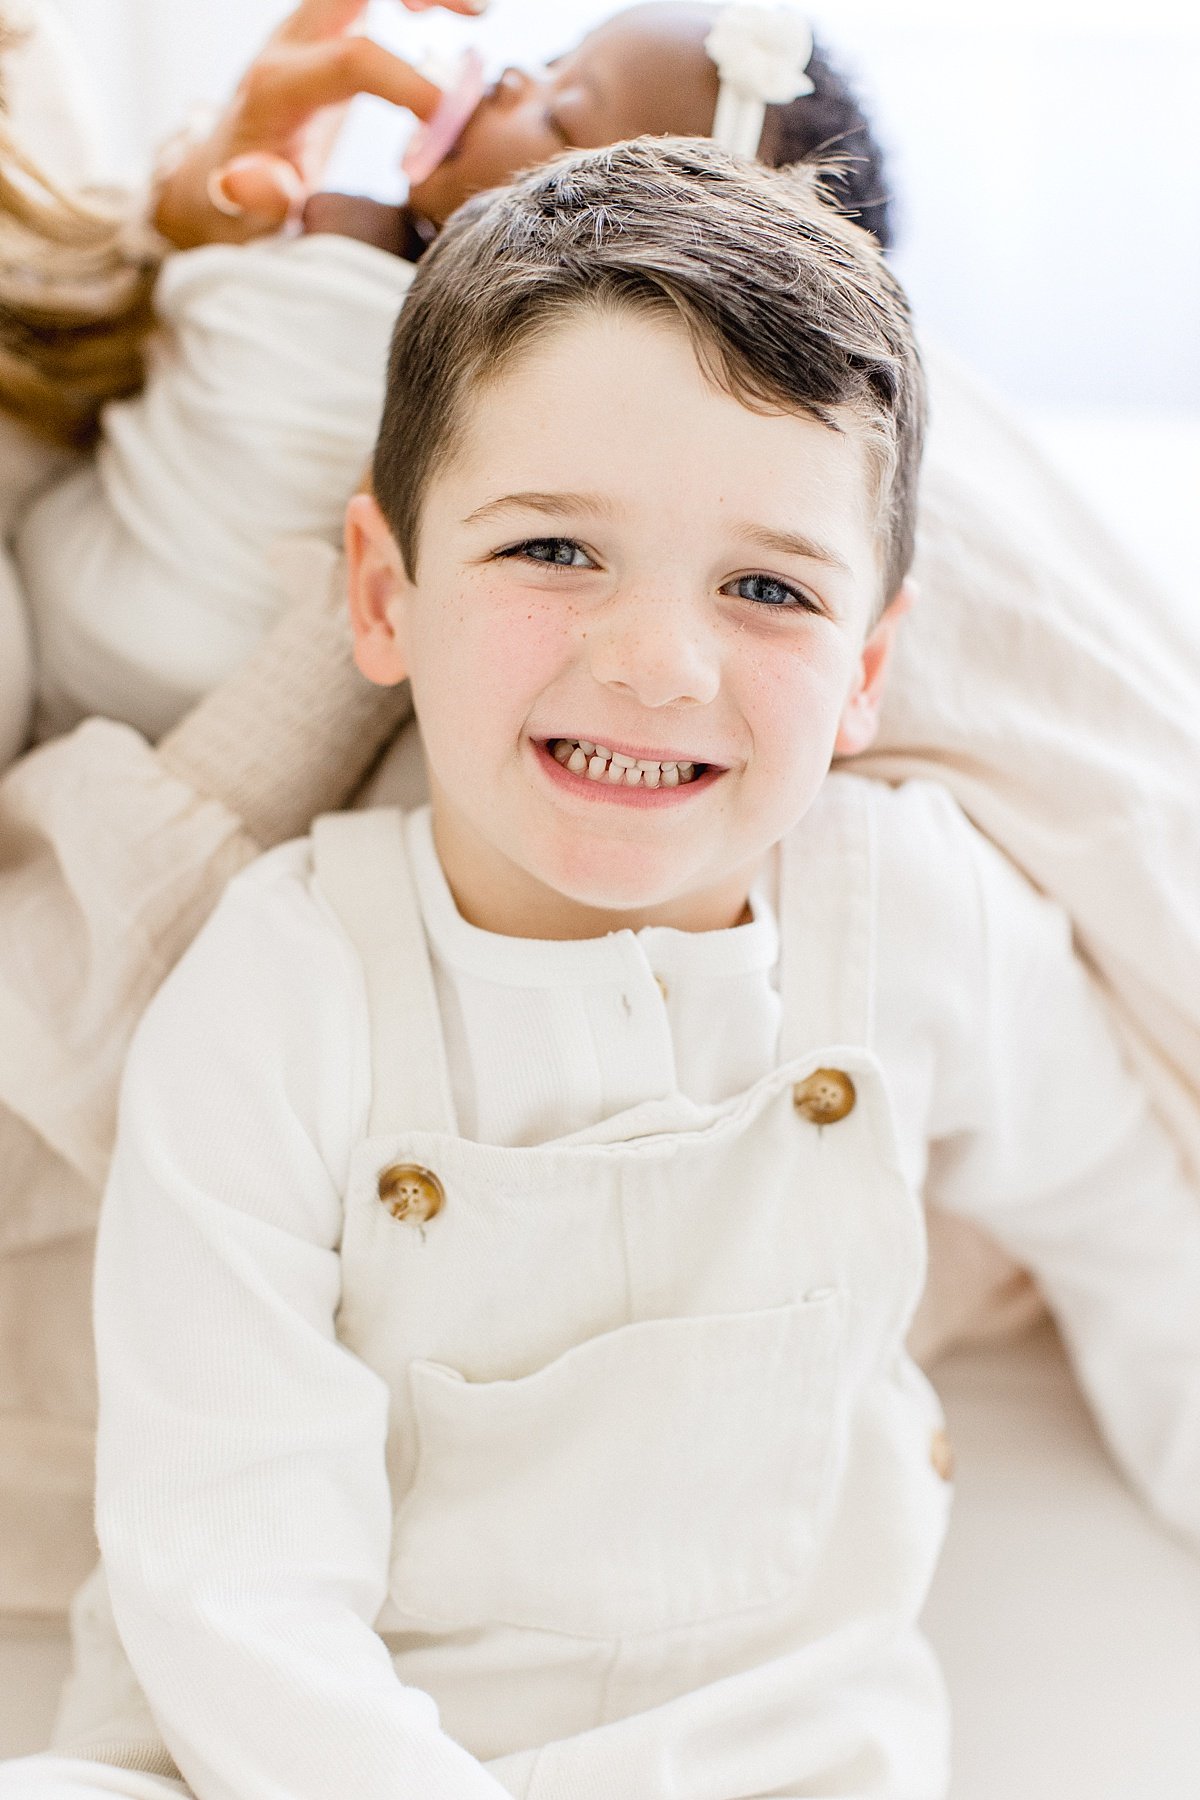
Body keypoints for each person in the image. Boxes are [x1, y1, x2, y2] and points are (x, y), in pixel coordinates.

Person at [4, 134, 1198, 1800]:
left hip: (786, 1763)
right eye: (554, 552)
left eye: (765, 586)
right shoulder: (285, 985)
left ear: (866, 675)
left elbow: (1138, 1228)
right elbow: (231, 1575)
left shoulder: (908, 914)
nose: (655, 661)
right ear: (381, 594)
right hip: (271, 1759)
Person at [15, 0, 889, 744]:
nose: (510, 82)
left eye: (557, 115)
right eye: (548, 65)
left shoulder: (359, 252)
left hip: (140, 634)